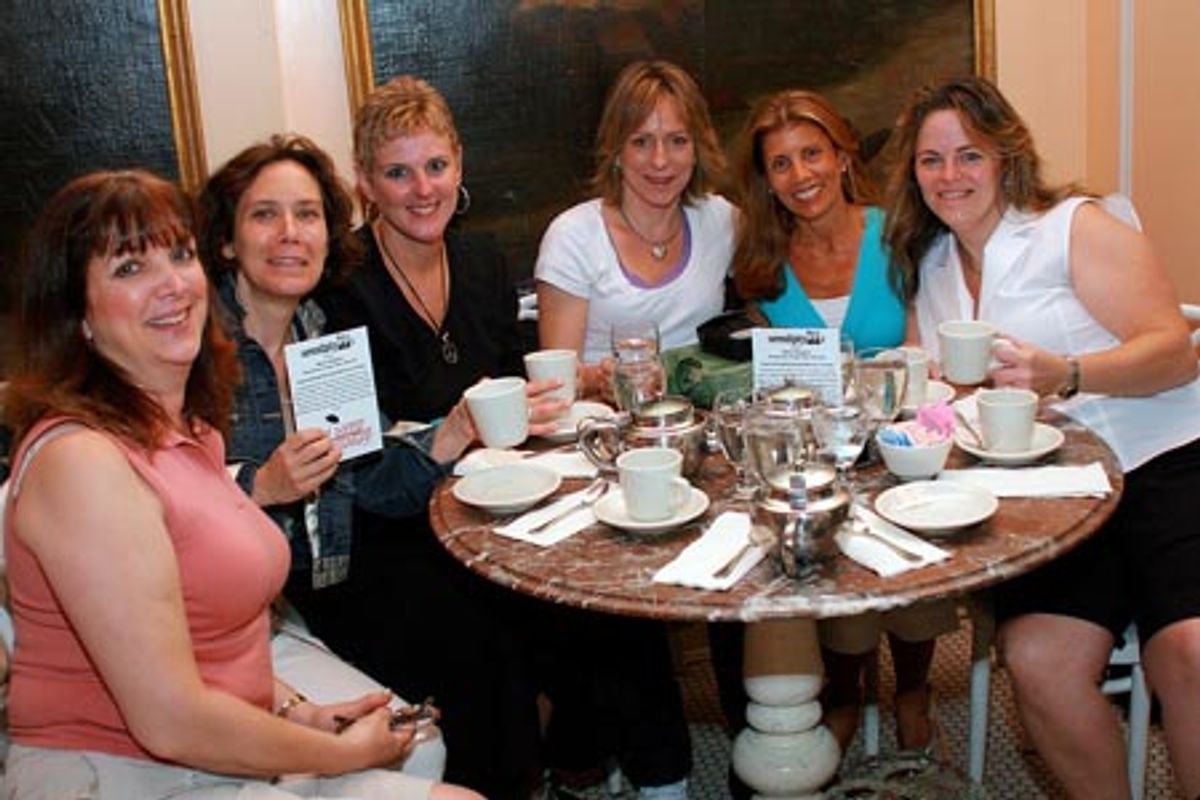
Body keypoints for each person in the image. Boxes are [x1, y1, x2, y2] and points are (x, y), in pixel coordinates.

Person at [0, 169, 479, 799]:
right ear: (77, 317)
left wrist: (296, 711)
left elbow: (212, 635)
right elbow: (169, 719)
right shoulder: (82, 463)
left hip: (208, 746)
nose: (172, 285)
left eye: (178, 255)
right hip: (119, 774)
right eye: (129, 269)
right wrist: (334, 753)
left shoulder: (192, 428)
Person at [321, 74, 692, 800]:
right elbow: (355, 462)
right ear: (366, 182)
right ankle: (527, 774)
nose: (421, 189)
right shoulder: (340, 287)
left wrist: (573, 388)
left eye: (435, 166)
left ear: (459, 165)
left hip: (494, 504)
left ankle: (659, 782)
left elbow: (512, 390)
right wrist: (447, 433)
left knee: (615, 587)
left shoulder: (484, 261)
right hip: (395, 534)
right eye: (397, 173)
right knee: (484, 636)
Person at [885, 75, 1200, 799]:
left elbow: (1173, 351)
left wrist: (1068, 373)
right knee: (1037, 661)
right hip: (1046, 495)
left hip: (1161, 460)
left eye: (968, 155)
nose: (949, 176)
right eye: (931, 161)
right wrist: (906, 422)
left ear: (1005, 156)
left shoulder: (1072, 226)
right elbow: (933, 395)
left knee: (1190, 648)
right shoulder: (930, 268)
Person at [196, 133, 500, 782]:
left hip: (331, 576)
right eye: (264, 214)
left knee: (478, 632)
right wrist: (258, 485)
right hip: (243, 609)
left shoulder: (323, 336)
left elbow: (370, 480)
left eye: (307, 215)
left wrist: (450, 434)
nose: (290, 234)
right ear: (226, 240)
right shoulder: (190, 350)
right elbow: (161, 505)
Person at [724, 87, 958, 758]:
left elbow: (929, 344)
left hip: (902, 446)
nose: (801, 176)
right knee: (835, 586)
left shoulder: (900, 235)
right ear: (765, 179)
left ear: (842, 155)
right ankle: (848, 693)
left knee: (914, 577)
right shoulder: (761, 263)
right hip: (812, 460)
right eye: (781, 164)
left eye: (812, 154)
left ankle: (912, 691)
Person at [535, 59, 735, 398]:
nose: (660, 160)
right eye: (641, 142)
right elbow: (554, 387)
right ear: (615, 151)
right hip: (604, 433)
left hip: (698, 423)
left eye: (677, 141)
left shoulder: (720, 220)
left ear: (698, 149)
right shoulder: (572, 237)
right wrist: (600, 379)